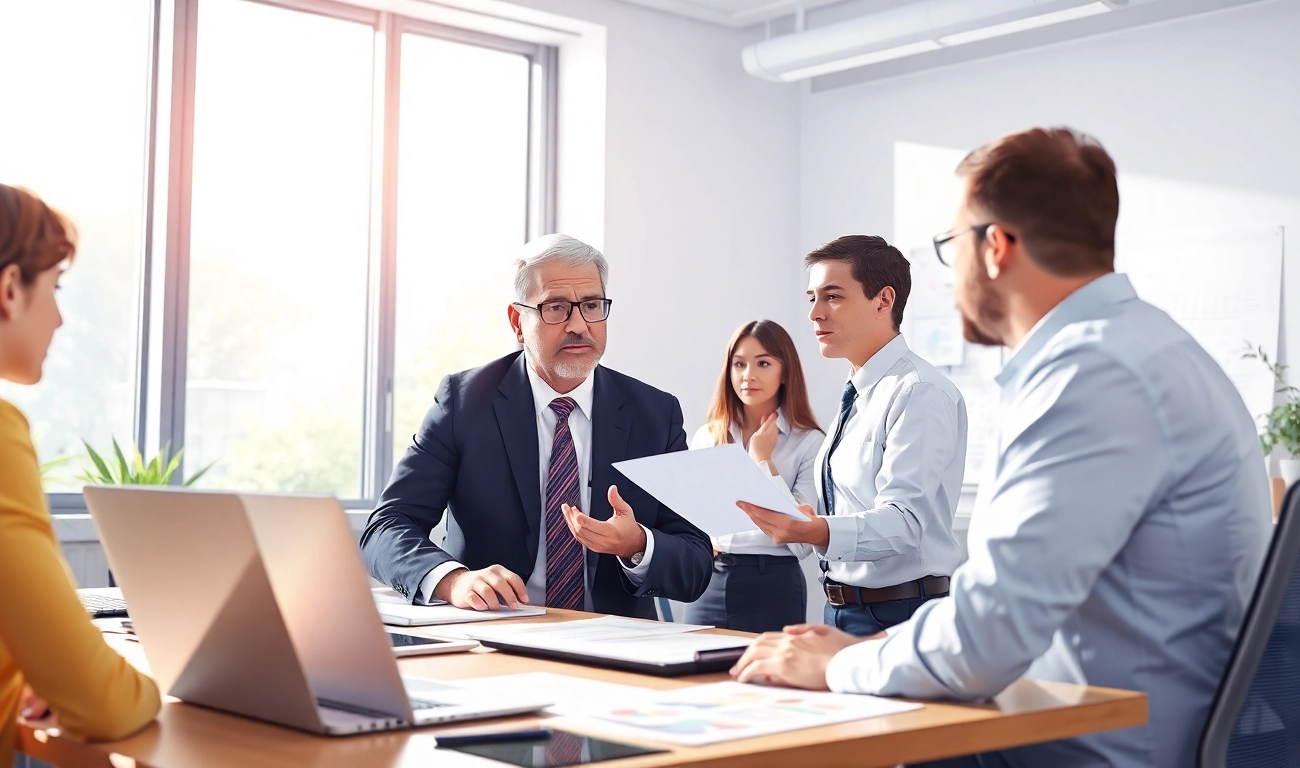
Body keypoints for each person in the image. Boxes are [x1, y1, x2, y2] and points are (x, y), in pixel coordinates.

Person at [730, 128, 1273, 768]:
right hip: (1083, 716)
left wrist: (841, 662)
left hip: (1092, 744)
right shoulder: (1143, 348)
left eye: (949, 247)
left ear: (995, 247)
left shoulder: (1091, 375)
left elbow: (989, 633)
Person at [360, 234, 712, 619]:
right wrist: (454, 580)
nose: (579, 325)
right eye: (556, 308)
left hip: (615, 639)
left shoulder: (654, 414)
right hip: (496, 631)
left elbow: (695, 563)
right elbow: (386, 528)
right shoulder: (465, 403)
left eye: (591, 305)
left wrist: (637, 545)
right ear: (518, 322)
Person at [0, 174, 161, 767]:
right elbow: (104, 707)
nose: (60, 319)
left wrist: (26, 673)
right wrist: (161, 692)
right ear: (9, 288)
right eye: (55, 286)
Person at [738, 235, 968, 637]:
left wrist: (816, 530)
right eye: (812, 298)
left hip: (898, 612)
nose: (815, 313)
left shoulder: (919, 391)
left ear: (883, 301)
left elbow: (905, 522)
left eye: (833, 297)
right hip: (840, 608)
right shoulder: (857, 395)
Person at [681, 320, 825, 632]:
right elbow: (689, 517)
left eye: (763, 363)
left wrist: (763, 460)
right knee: (693, 662)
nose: (748, 375)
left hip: (772, 583)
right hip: (708, 580)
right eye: (739, 364)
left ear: (785, 372)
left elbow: (803, 541)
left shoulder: (811, 443)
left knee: (767, 665)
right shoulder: (707, 436)